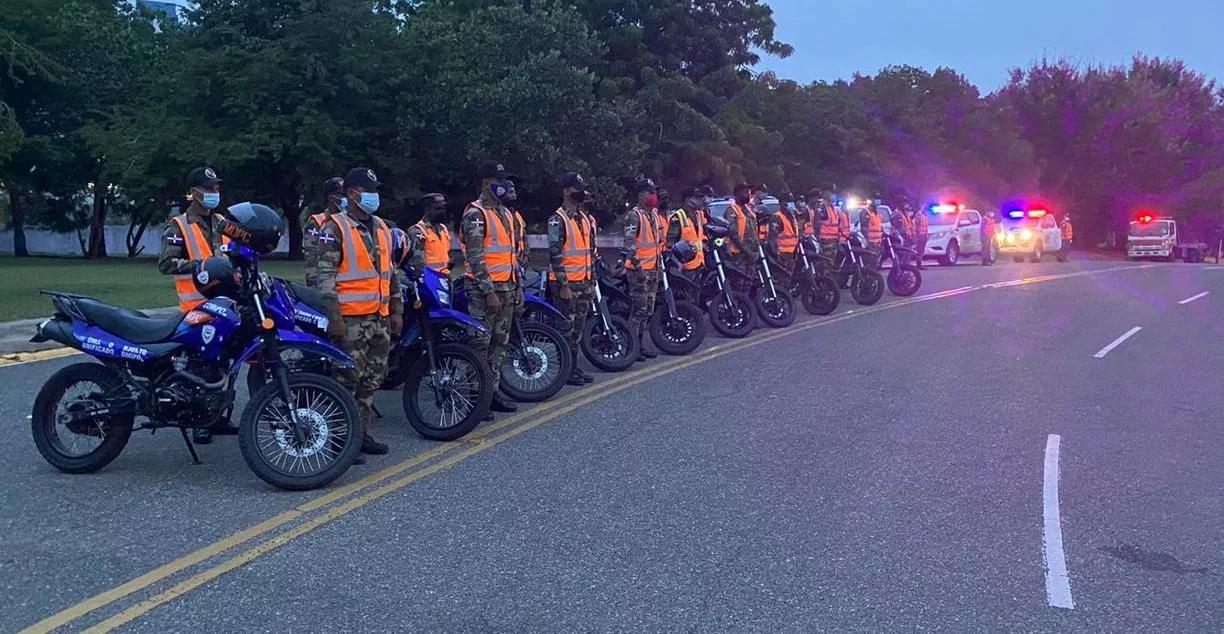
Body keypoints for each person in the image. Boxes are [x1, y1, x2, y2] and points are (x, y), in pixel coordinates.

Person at [315, 167, 401, 462]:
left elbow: (390, 274)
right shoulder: (334, 228)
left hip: (379, 319)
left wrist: (396, 311)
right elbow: (324, 277)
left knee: (371, 380)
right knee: (347, 381)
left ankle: (360, 434)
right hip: (350, 320)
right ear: (353, 194)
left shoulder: (381, 227)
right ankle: (342, 440)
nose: (375, 196)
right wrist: (334, 317)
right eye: (369, 190)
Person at [158, 167, 236, 444]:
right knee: (200, 365)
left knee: (226, 362)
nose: (215, 193)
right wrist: (202, 267)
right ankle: (199, 422)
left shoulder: (223, 222)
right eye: (209, 188)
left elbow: (235, 255)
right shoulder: (179, 225)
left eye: (217, 188)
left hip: (225, 304)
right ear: (194, 193)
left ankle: (220, 417)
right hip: (196, 307)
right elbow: (166, 263)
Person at [461, 161, 523, 413]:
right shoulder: (475, 214)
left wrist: (517, 285)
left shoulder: (506, 214)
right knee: (480, 345)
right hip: (483, 291)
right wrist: (488, 291)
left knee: (500, 344)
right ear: (487, 183)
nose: (504, 185)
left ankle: (492, 393)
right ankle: (476, 397)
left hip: (507, 287)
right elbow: (475, 257)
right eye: (499, 181)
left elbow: (511, 254)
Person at [548, 172, 596, 386]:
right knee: (566, 330)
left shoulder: (584, 218)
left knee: (578, 329)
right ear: (567, 190)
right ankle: (565, 371)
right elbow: (555, 254)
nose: (581, 192)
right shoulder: (557, 219)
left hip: (584, 282)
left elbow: (589, 252)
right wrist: (563, 285)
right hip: (566, 284)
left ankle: (574, 368)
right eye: (577, 188)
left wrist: (592, 281)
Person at [621, 177, 662, 361]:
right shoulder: (634, 215)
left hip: (653, 270)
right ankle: (631, 347)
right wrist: (639, 268)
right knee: (638, 310)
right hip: (639, 272)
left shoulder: (653, 214)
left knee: (648, 310)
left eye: (653, 191)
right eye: (649, 191)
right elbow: (629, 245)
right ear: (640, 195)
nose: (653, 195)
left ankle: (640, 345)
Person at [304, 176, 345, 288]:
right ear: (331, 197)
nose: (346, 198)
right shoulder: (317, 222)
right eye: (342, 195)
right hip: (326, 285)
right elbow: (311, 259)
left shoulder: (348, 222)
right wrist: (313, 289)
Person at [666, 187, 708, 285]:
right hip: (685, 268)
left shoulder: (697, 216)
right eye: (695, 198)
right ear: (687, 200)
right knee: (686, 298)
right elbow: (671, 244)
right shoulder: (677, 217)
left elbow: (699, 238)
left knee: (696, 297)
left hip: (698, 264)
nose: (699, 201)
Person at [407, 192, 453, 279]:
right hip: (429, 282)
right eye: (438, 208)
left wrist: (448, 273)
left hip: (444, 280)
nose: (442, 211)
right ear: (427, 209)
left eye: (443, 208)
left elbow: (447, 257)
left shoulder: (443, 229)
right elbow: (418, 263)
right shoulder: (418, 231)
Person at [722, 183, 760, 272]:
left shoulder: (749, 211)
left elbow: (754, 232)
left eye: (749, 192)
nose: (748, 195)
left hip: (750, 256)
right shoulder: (732, 211)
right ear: (737, 194)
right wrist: (748, 251)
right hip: (737, 255)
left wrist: (756, 250)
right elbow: (733, 234)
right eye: (745, 192)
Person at [764, 192, 800, 280]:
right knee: (781, 280)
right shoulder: (777, 217)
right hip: (781, 255)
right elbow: (772, 238)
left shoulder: (792, 217)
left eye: (791, 202)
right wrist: (776, 256)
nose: (789, 204)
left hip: (791, 254)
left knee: (788, 279)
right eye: (787, 202)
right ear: (782, 203)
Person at [859, 201, 884, 268]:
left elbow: (879, 226)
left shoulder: (878, 215)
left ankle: (872, 272)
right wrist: (867, 239)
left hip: (877, 241)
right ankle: (869, 272)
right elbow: (864, 227)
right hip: (871, 241)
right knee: (870, 259)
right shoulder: (867, 214)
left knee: (875, 258)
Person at [911, 203, 929, 269]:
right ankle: (918, 265)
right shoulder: (919, 215)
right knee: (919, 251)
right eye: (924, 207)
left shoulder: (924, 215)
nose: (925, 208)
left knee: (921, 251)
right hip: (920, 236)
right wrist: (917, 236)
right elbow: (917, 226)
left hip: (923, 235)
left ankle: (919, 264)